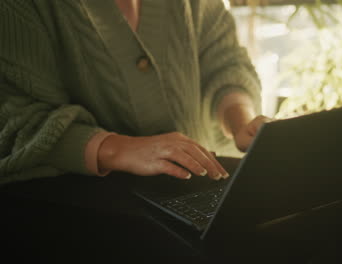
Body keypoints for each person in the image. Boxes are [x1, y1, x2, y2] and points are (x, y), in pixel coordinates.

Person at [0, 0, 268, 185]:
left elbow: (223, 62)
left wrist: (242, 123)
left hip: (196, 199)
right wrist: (117, 149)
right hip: (81, 221)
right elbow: (15, 120)